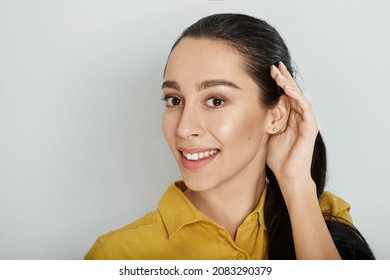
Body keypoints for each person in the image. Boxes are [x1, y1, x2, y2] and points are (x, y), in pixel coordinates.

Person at [84, 13, 374, 260]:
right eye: (174, 100)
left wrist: (296, 183)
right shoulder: (116, 254)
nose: (184, 129)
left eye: (216, 101)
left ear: (276, 115)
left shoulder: (323, 215)